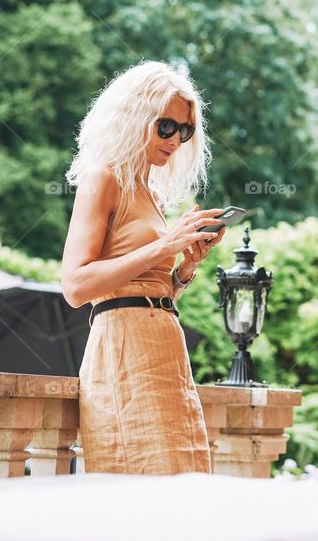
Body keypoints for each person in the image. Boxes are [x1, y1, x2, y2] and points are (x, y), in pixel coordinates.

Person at [60, 60, 226, 475]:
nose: (175, 139)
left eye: (184, 131)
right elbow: (76, 285)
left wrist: (184, 267)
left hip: (166, 350)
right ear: (135, 117)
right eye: (165, 126)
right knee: (141, 485)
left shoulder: (152, 193)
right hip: (123, 350)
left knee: (183, 482)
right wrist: (165, 245)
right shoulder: (103, 177)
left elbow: (150, 288)